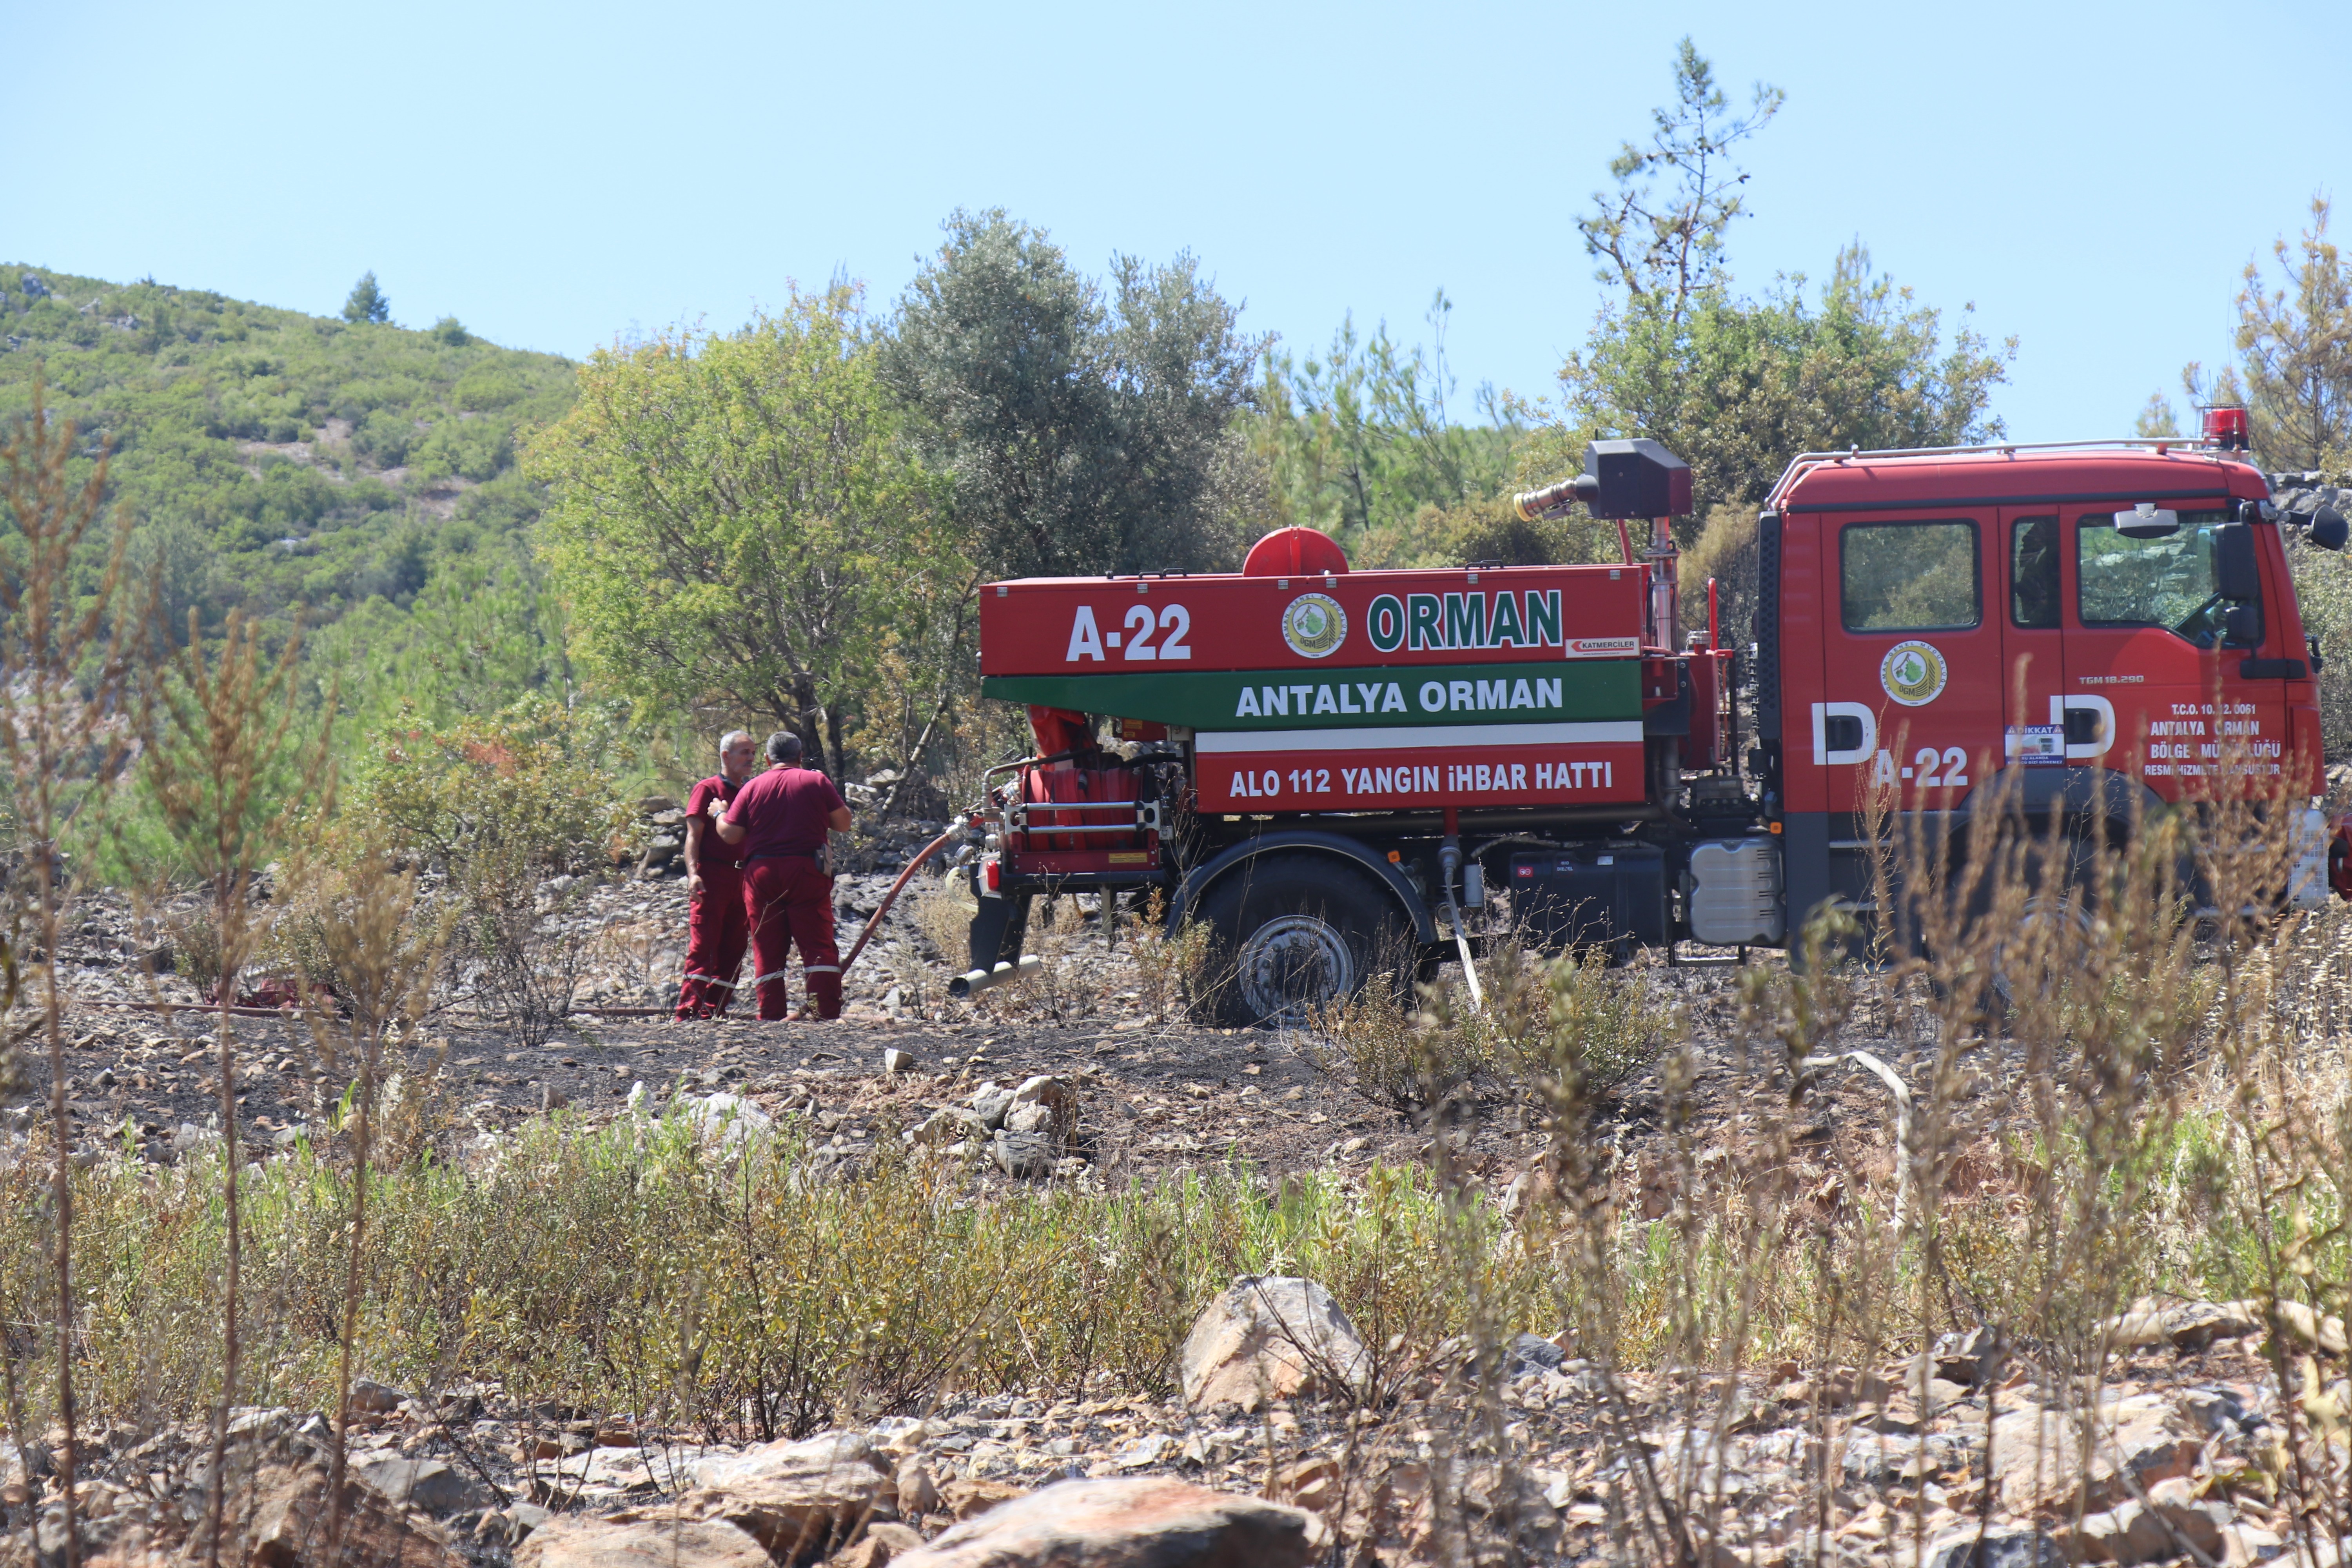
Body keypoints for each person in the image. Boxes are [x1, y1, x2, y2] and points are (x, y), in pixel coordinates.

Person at [712, 731, 853, 1020]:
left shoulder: (751, 788)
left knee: (767, 945)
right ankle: (824, 1012)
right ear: (800, 757)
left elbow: (730, 834)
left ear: (767, 759)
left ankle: (771, 1014)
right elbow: (843, 824)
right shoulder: (816, 781)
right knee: (817, 944)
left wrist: (718, 815)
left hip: (760, 874)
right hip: (806, 871)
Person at [674, 730, 759, 1019]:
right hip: (713, 876)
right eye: (744, 752)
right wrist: (693, 874)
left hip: (743, 880)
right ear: (726, 756)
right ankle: (687, 1013)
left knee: (734, 948)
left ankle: (714, 1010)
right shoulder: (707, 789)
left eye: (753, 753)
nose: (751, 758)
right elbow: (693, 836)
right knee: (705, 945)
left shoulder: (750, 791)